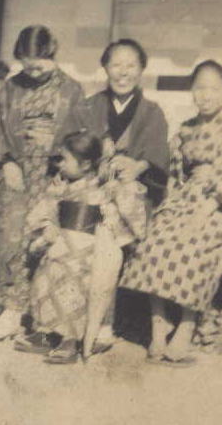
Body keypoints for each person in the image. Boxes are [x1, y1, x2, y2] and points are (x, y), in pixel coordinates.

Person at [51, 37, 169, 352]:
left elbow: (157, 155)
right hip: (89, 189)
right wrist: (93, 165)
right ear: (105, 67)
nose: (123, 72)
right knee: (81, 237)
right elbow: (66, 149)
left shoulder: (152, 112)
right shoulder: (87, 106)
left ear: (141, 70)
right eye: (116, 64)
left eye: (131, 65)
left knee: (107, 237)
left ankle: (102, 322)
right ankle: (74, 322)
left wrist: (138, 165)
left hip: (132, 196)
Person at [121, 60, 222, 367]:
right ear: (192, 92)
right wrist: (170, 203)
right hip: (185, 198)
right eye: (200, 88)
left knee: (193, 246)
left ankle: (187, 325)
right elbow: (174, 174)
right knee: (153, 242)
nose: (206, 95)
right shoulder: (186, 129)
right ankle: (159, 323)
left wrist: (207, 206)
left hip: (219, 204)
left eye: (213, 89)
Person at [0, 25, 84, 341]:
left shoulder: (71, 89)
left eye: (40, 65)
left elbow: (81, 137)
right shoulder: (11, 88)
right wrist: (7, 161)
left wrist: (55, 144)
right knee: (10, 224)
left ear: (53, 55)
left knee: (45, 233)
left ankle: (42, 311)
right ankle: (12, 308)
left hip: (56, 173)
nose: (34, 72)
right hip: (17, 169)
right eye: (28, 65)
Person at [22, 130, 148, 364]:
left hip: (89, 248)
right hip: (61, 242)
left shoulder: (104, 188)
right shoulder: (60, 187)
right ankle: (48, 332)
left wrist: (119, 230)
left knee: (74, 281)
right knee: (45, 278)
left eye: (65, 160)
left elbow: (121, 215)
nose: (60, 164)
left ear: (86, 164)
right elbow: (46, 212)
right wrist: (47, 227)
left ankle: (70, 339)